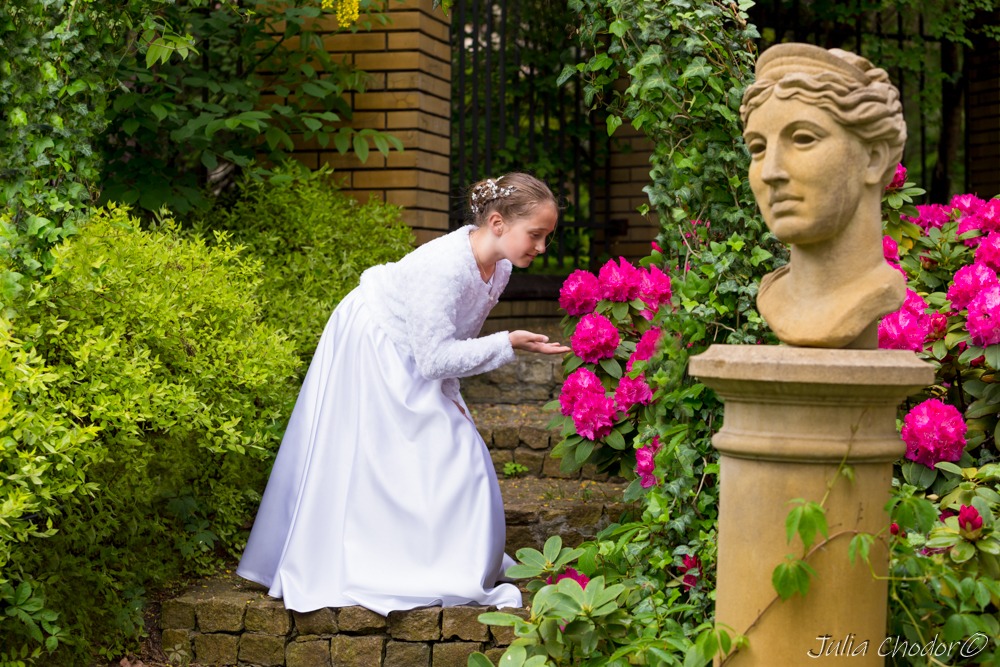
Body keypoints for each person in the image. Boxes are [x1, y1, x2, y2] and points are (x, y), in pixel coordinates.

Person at [236, 172, 570, 615]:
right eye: (536, 235)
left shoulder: (501, 266)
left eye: (546, 237)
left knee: (451, 441)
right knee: (391, 451)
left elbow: (447, 345)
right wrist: (506, 343)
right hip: (374, 339)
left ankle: (444, 554)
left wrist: (453, 396)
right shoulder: (444, 268)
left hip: (417, 350)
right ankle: (386, 557)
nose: (541, 247)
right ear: (497, 223)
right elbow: (434, 359)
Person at [740, 44, 907, 348]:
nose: (770, 171)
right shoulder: (772, 298)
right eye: (758, 148)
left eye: (803, 138)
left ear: (873, 159)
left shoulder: (875, 292)